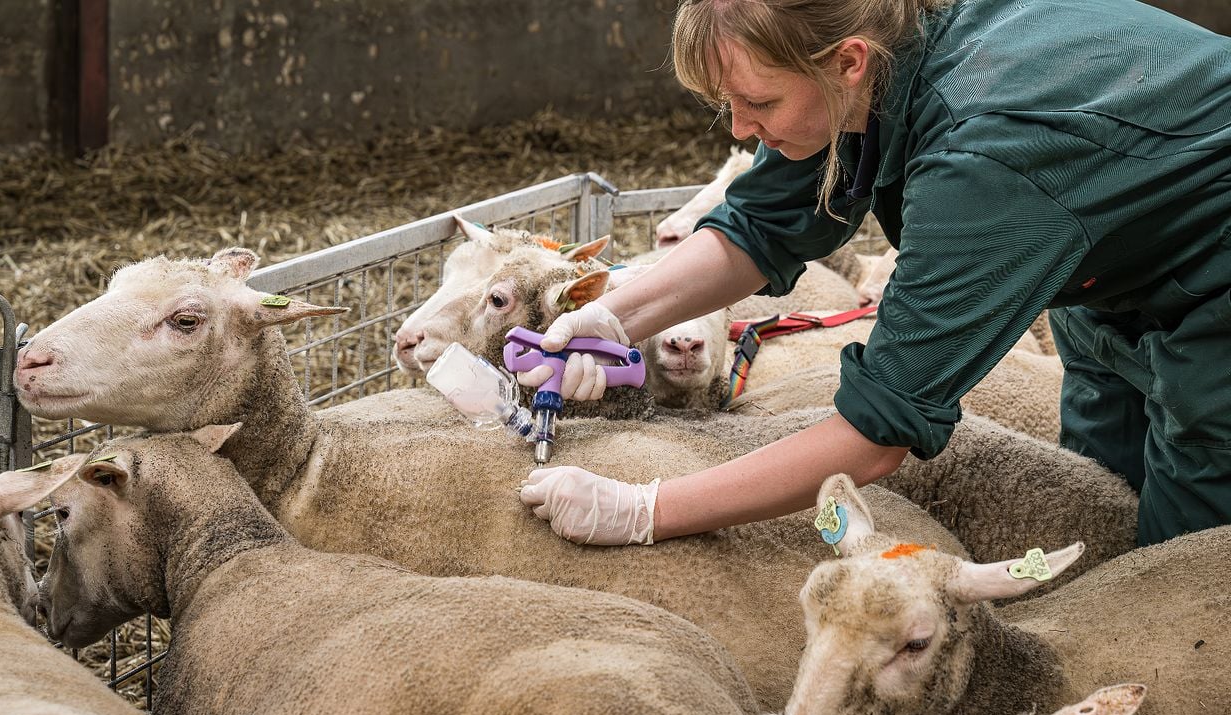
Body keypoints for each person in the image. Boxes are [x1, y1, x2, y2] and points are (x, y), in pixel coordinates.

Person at [517, 0, 1231, 548]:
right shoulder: (896, 58)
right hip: (1107, 273)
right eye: (726, 104)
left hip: (1212, 285)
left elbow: (880, 428)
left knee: (1179, 572)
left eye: (759, 102)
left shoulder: (983, 156)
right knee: (1097, 506)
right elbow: (762, 222)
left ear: (848, 61)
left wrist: (646, 509)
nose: (737, 130)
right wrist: (614, 317)